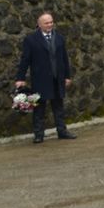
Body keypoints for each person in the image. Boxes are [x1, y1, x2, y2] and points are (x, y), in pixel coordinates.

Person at [14, 11, 75, 144]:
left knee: (58, 106)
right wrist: (20, 78)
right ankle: (38, 134)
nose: (50, 25)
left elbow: (64, 59)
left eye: (51, 22)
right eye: (46, 23)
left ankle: (62, 131)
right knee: (39, 108)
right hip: (40, 79)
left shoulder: (59, 38)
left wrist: (67, 76)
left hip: (57, 77)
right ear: (39, 24)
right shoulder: (31, 40)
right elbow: (25, 60)